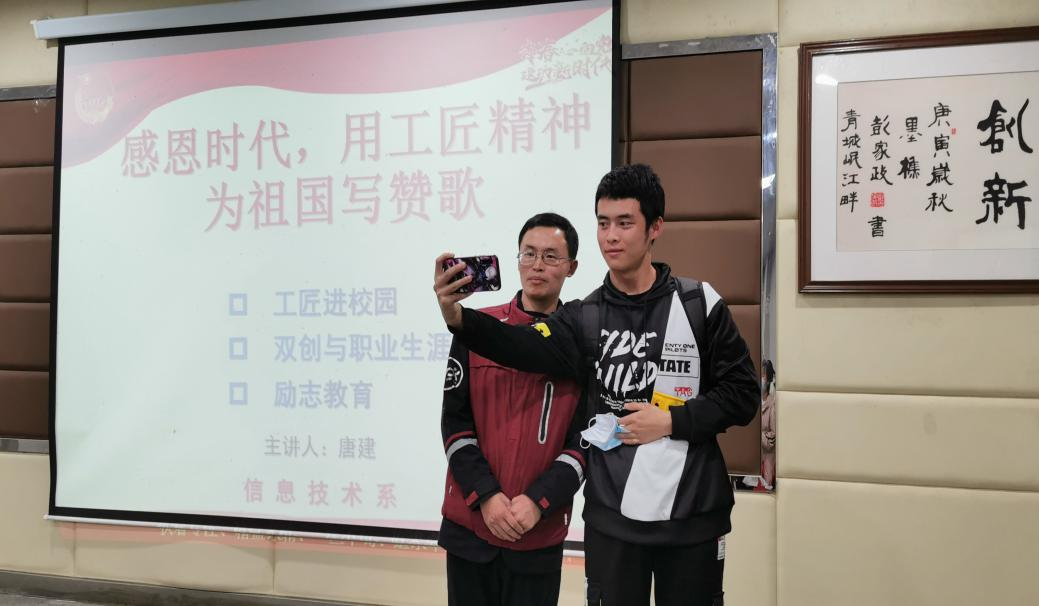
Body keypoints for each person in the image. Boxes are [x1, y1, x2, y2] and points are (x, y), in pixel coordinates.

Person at [434, 164, 759, 606]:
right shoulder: (583, 316)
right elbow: (518, 345)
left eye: (625, 223)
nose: (611, 236)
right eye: (603, 223)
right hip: (612, 520)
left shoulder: (698, 302)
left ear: (655, 227)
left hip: (693, 516)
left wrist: (672, 421)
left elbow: (743, 395)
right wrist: (457, 317)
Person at [438, 212, 587, 606]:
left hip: (538, 530)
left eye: (551, 256)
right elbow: (455, 425)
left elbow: (583, 441)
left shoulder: (585, 341)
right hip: (470, 526)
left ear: (571, 267)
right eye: (528, 254)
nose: (537, 265)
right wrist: (486, 496)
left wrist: (538, 501)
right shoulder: (477, 328)